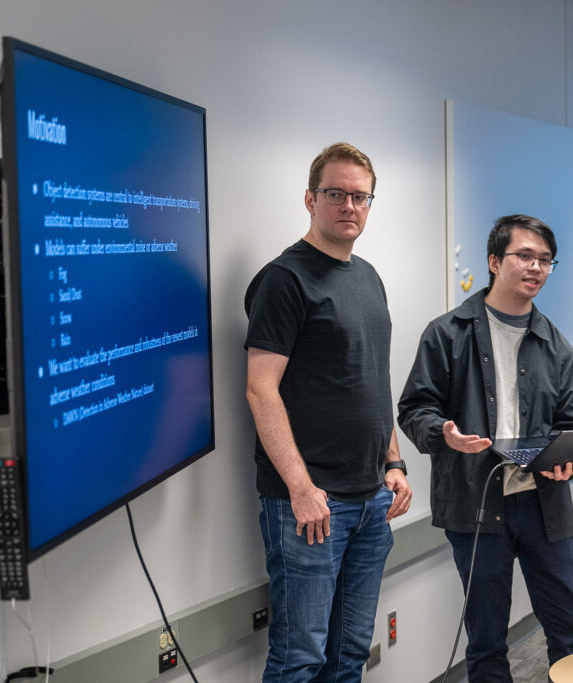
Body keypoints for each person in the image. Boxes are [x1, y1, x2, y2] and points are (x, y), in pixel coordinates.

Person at [398, 215, 573, 681]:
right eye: (524, 256)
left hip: (544, 506)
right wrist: (443, 433)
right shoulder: (447, 333)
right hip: (476, 505)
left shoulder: (556, 345)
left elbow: (572, 425)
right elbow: (414, 408)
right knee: (486, 642)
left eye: (545, 260)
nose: (536, 267)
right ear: (493, 261)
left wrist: (568, 462)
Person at [244, 142, 412, 682]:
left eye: (360, 196)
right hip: (311, 505)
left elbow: (372, 383)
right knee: (300, 659)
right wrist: (300, 488)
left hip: (371, 501)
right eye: (336, 194)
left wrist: (393, 463)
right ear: (310, 199)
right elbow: (260, 390)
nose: (349, 206)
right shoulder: (285, 279)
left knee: (349, 655)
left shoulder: (368, 276)